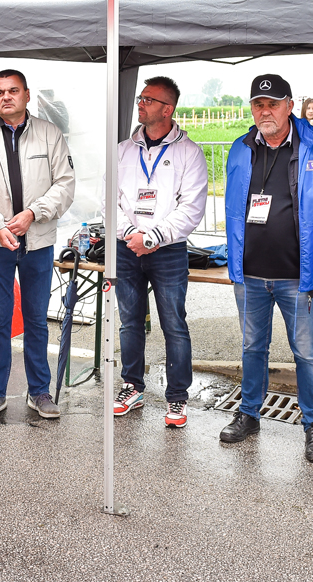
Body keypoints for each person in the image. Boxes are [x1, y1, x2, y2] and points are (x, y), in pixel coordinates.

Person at [220, 74, 313, 461]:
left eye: (273, 104)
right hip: (249, 273)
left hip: (298, 275)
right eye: (258, 104)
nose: (265, 111)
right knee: (252, 347)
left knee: (306, 352)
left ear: (290, 106)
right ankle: (249, 414)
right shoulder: (240, 148)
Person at [0, 68, 75, 421]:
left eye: (13, 91)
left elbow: (65, 184)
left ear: (26, 95)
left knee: (37, 318)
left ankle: (39, 391)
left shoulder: (50, 134)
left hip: (38, 241)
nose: (6, 97)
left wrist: (33, 213)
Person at [110, 77, 207, 427]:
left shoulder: (189, 153)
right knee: (130, 321)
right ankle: (132, 386)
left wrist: (151, 237)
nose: (141, 104)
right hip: (126, 247)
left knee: (173, 324)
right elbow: (109, 201)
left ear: (168, 109)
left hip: (167, 250)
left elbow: (191, 208)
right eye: (141, 97)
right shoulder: (123, 150)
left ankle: (177, 397)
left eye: (148, 100)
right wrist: (130, 233)